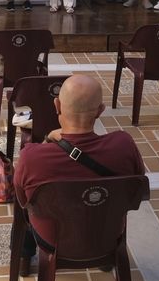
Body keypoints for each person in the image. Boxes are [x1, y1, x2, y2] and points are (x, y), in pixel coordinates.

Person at [13, 74, 146, 251]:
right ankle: (106, 261)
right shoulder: (124, 145)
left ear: (57, 106)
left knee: (24, 211)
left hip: (53, 239)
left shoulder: (31, 157)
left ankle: (23, 259)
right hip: (107, 234)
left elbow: (23, 199)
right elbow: (135, 187)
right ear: (100, 111)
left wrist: (47, 140)